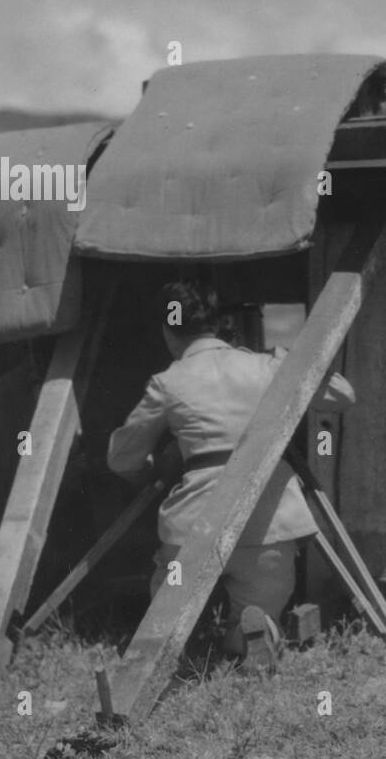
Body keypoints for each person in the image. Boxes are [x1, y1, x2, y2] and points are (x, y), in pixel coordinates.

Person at [107, 281, 355, 674]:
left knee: (167, 606)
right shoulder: (267, 365)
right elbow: (342, 395)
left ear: (168, 331)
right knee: (261, 603)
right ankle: (247, 638)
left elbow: (121, 457)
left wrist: (151, 470)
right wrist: (286, 358)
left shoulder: (168, 382)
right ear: (219, 324)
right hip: (269, 522)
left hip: (195, 524)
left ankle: (179, 652)